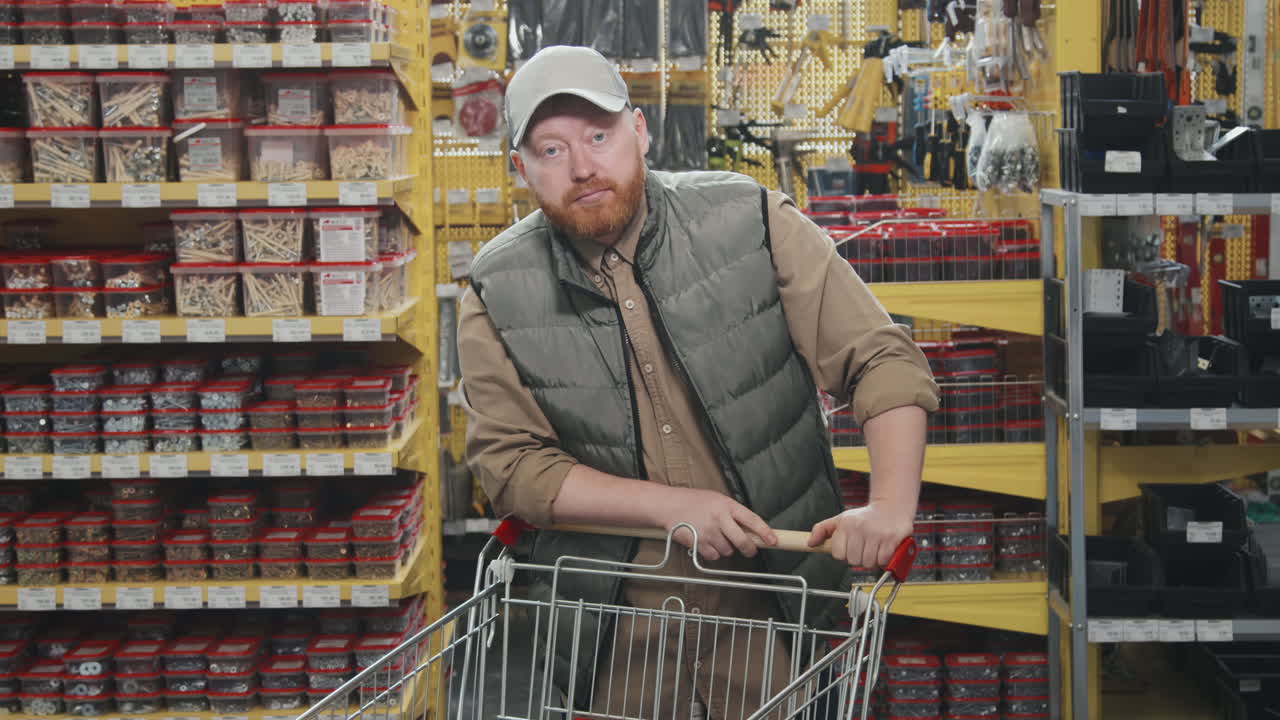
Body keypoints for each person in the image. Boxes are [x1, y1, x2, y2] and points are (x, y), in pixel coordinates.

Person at [458, 45, 939, 720]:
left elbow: (881, 358)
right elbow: (513, 468)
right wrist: (668, 506)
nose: (585, 166)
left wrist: (890, 507)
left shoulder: (750, 221)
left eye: (600, 135)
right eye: (552, 149)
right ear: (521, 170)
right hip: (616, 641)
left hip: (773, 618)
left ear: (641, 130)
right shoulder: (494, 288)